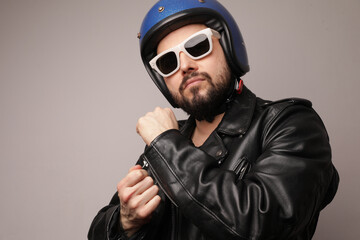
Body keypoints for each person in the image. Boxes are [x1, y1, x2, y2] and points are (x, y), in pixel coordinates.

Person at [88, 0, 339, 239]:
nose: (185, 65)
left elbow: (261, 224)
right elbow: (98, 230)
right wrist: (125, 221)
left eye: (197, 46)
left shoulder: (291, 124)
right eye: (168, 62)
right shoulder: (167, 141)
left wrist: (165, 144)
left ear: (229, 49)